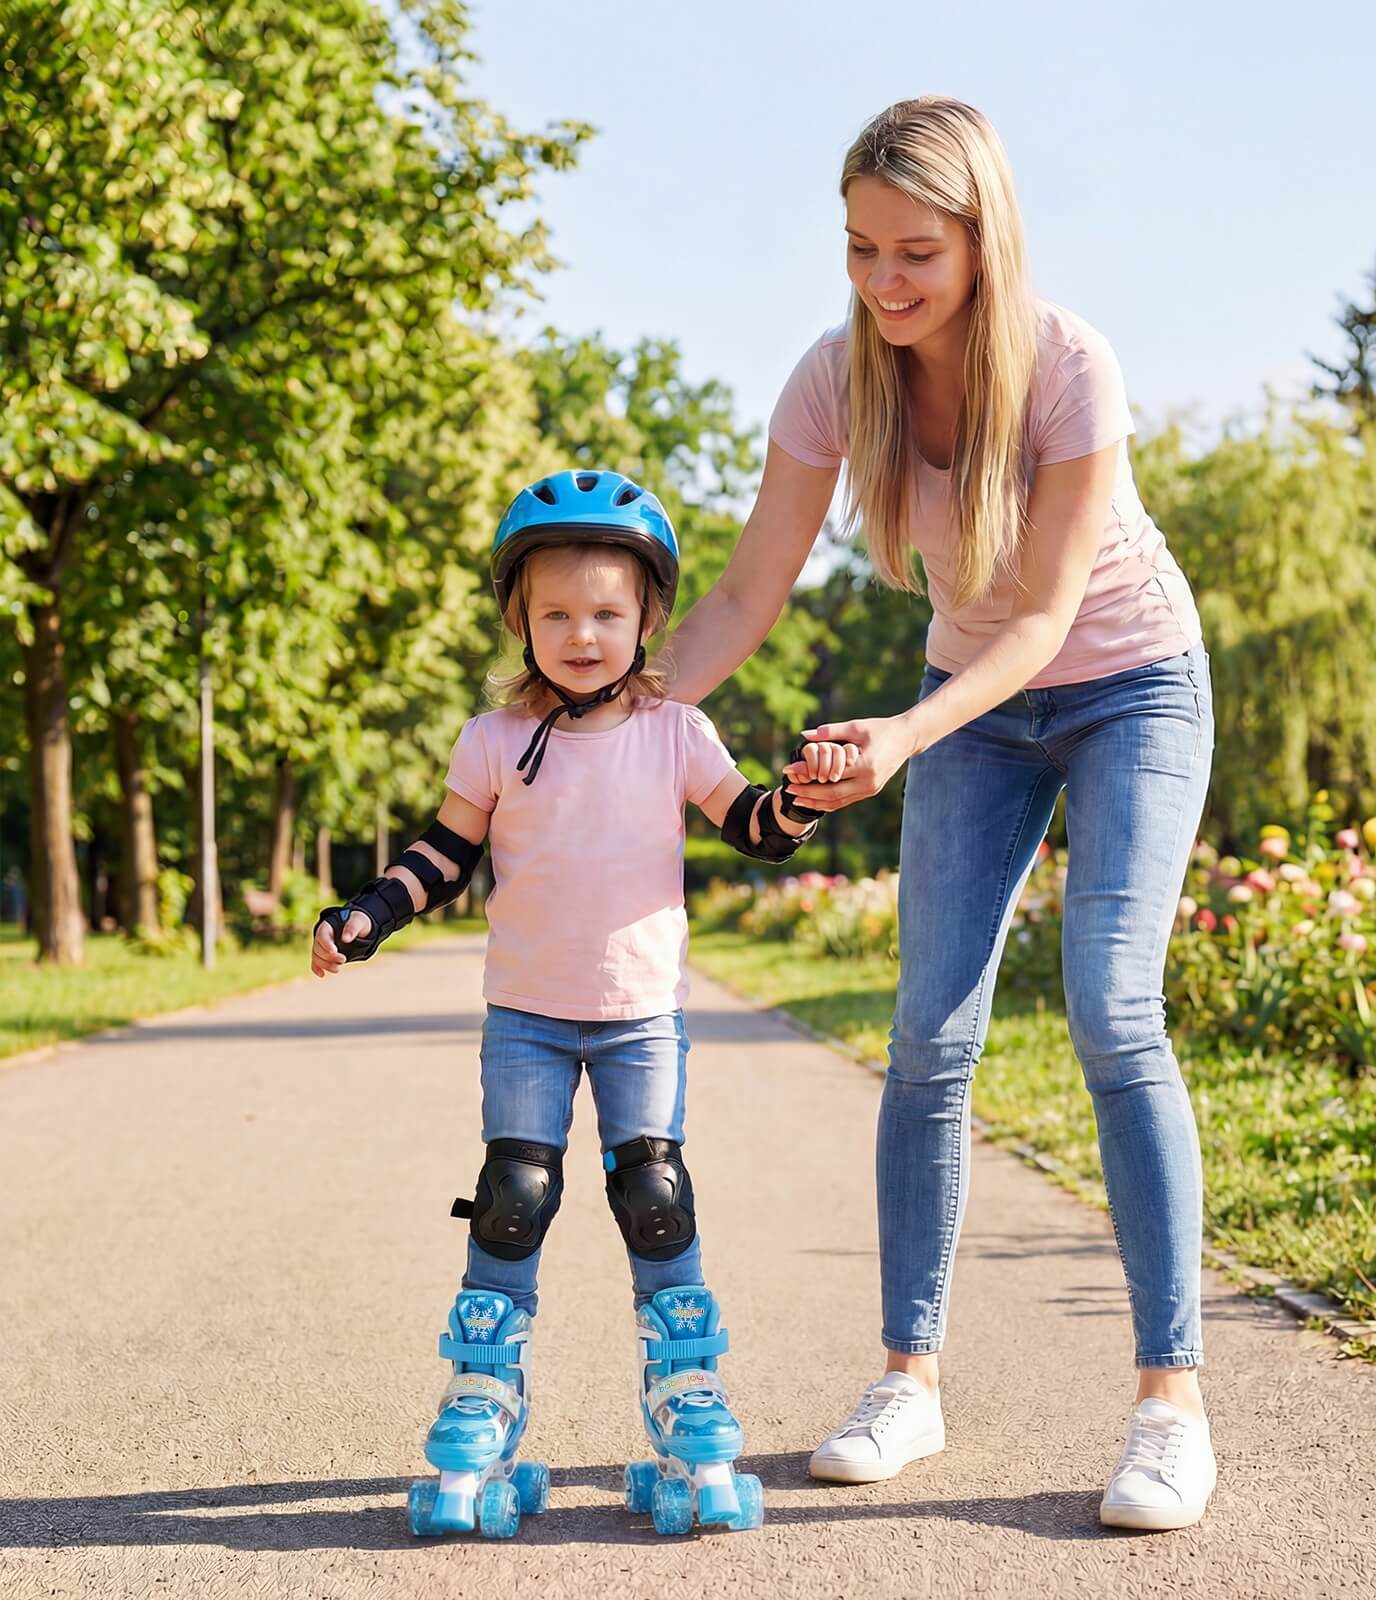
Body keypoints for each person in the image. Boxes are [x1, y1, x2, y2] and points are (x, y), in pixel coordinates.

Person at [660, 99, 1217, 1531]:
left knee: (1113, 1004)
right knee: (927, 1034)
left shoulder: (1068, 367)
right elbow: (740, 597)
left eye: (916, 252)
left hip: (1126, 690)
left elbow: (1034, 623)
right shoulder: (834, 384)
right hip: (968, 703)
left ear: (984, 239)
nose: (883, 282)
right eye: (860, 249)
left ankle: (1170, 1406)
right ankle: (908, 1379)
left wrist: (903, 735)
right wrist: (597, 705)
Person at [311, 468, 855, 1537]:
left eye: (607, 612)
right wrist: (371, 911)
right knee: (514, 1190)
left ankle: (685, 1396)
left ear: (648, 616)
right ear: (520, 619)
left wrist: (793, 801)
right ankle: (482, 1394)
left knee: (654, 1191)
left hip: (641, 1014)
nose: (582, 633)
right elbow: (445, 853)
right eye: (554, 612)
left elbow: (745, 820)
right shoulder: (491, 739)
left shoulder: (675, 729)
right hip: (527, 1012)